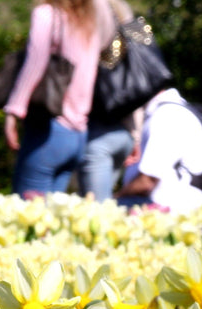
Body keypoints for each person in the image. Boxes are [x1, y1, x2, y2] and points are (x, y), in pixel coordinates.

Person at [4, 0, 115, 197]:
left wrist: (14, 110)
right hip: (78, 137)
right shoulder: (91, 22)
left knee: (25, 217)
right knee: (54, 220)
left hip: (49, 132)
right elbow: (110, 44)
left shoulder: (47, 14)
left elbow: (35, 64)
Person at [78, 0, 142, 201]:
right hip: (126, 134)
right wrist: (136, 135)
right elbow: (139, 86)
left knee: (96, 216)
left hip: (99, 135)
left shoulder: (92, 12)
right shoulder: (130, 19)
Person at [115, 87, 202, 214]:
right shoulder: (171, 110)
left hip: (171, 213)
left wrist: (113, 200)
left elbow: (147, 181)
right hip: (171, 211)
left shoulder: (167, 115)